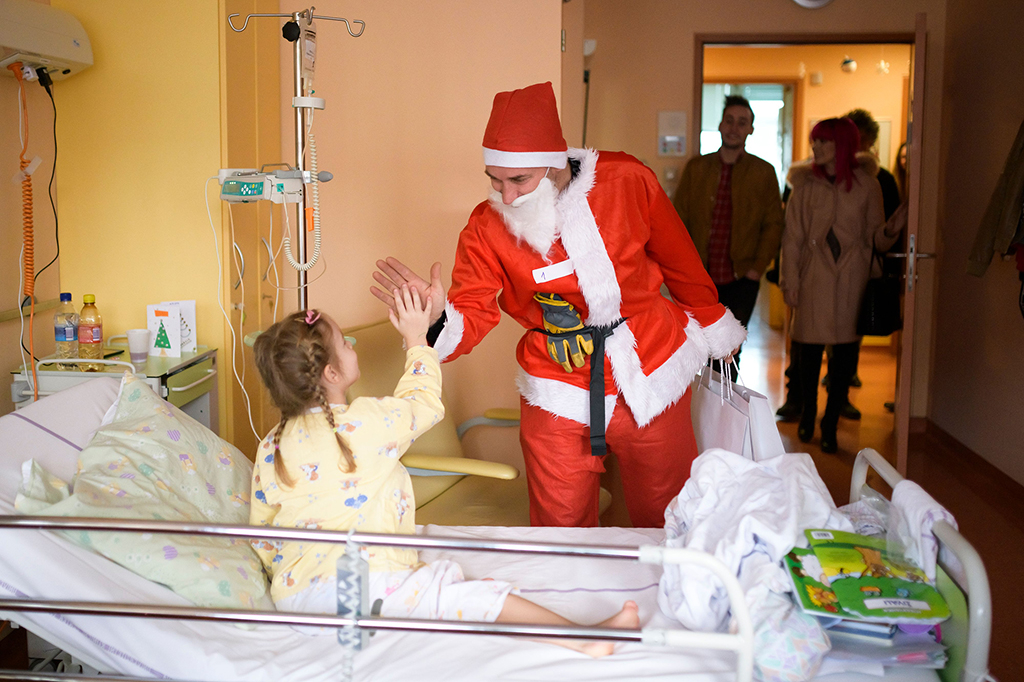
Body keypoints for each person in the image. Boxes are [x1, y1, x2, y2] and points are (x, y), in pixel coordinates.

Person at [371, 82, 744, 528]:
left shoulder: (628, 180)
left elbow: (680, 260)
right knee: (558, 524)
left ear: (553, 164)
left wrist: (714, 325)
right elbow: (472, 307)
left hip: (652, 365)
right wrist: (436, 319)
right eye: (494, 179)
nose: (505, 196)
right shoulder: (487, 226)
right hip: (557, 380)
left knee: (674, 515)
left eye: (518, 181)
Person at [249, 291, 639, 657]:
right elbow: (422, 402)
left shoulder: (272, 445)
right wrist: (417, 338)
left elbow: (264, 534)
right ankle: (588, 641)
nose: (353, 345)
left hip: (295, 599)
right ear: (331, 373)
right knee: (467, 594)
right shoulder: (363, 422)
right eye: (345, 343)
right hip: (357, 593)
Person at [779, 117, 902, 453]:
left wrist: (896, 225)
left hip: (852, 279)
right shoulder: (803, 187)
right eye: (814, 141)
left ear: (843, 145)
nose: (815, 148)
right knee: (807, 352)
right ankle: (807, 413)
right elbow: (791, 239)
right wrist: (789, 281)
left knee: (844, 357)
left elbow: (877, 238)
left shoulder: (868, 186)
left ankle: (830, 423)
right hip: (812, 278)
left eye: (823, 142)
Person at [673, 95, 785, 375]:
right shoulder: (697, 168)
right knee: (696, 345)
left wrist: (757, 269)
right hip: (699, 277)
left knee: (730, 351)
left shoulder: (763, 172)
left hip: (741, 278)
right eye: (729, 121)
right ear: (721, 125)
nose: (734, 128)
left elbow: (774, 224)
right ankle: (696, 414)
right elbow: (677, 220)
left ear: (751, 130)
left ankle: (724, 414)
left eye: (742, 122)